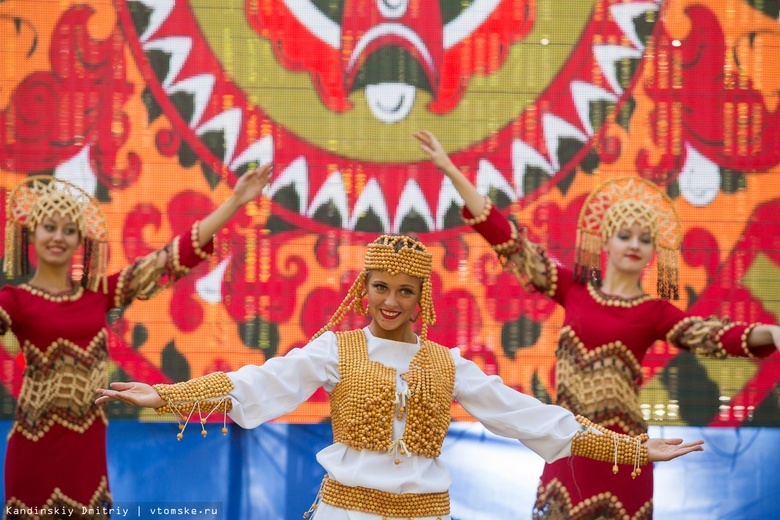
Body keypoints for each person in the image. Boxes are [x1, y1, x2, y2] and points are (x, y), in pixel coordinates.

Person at [96, 234, 704, 520]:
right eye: (381, 288)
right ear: (365, 291)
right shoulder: (335, 349)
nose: (390, 301)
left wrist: (631, 446)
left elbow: (529, 417)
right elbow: (262, 384)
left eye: (404, 291)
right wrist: (168, 394)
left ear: (421, 299)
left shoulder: (446, 365)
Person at [413, 129, 780, 519]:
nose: (635, 245)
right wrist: (452, 171)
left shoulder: (654, 311)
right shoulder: (573, 289)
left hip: (629, 451)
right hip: (571, 443)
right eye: (625, 235)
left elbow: (711, 335)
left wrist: (772, 333)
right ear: (605, 243)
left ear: (654, 251)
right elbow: (511, 243)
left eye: (645, 238)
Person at [1, 164, 271, 519]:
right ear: (32, 232)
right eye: (49, 227)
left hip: (86, 454)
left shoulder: (99, 293)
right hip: (32, 451)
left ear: (81, 238)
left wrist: (235, 202)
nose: (58, 237)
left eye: (69, 230)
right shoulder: (14, 301)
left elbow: (167, 261)